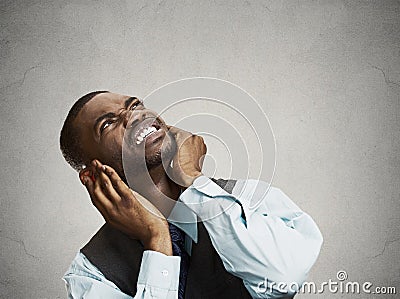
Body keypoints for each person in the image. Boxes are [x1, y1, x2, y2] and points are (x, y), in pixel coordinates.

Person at [60, 91, 323, 299]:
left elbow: (280, 280)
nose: (134, 117)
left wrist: (194, 180)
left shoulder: (250, 198)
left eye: (135, 105)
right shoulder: (91, 273)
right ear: (91, 176)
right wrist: (157, 238)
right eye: (107, 124)